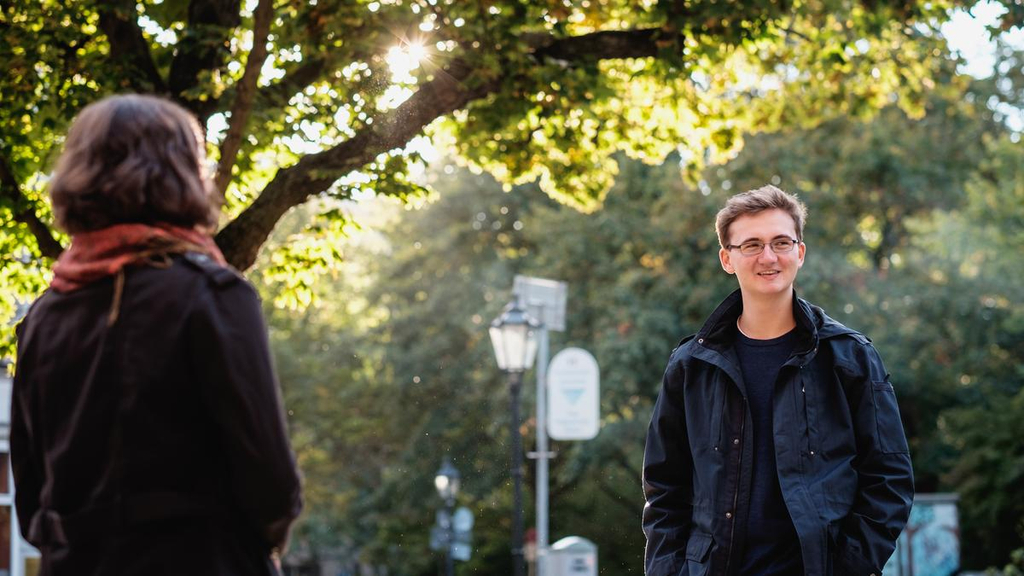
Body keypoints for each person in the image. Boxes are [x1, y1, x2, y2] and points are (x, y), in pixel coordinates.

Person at [11, 94, 303, 575]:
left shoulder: (45, 316)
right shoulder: (214, 295)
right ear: (184, 173)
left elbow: (31, 503)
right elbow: (271, 488)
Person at [642, 185, 913, 576]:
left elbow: (889, 478)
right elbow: (665, 489)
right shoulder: (691, 366)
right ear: (727, 259)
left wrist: (846, 568)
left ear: (799, 252)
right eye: (751, 245)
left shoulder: (849, 356)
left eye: (781, 242)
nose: (768, 257)